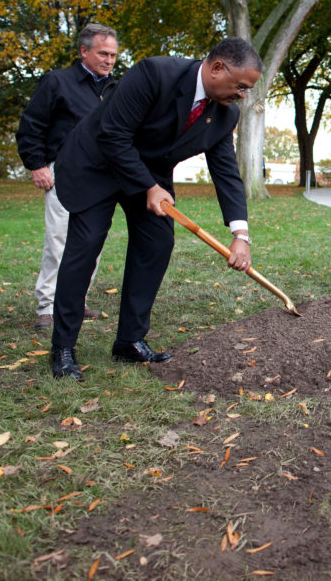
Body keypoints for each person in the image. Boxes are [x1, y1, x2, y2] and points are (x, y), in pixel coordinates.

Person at [48, 37, 262, 382]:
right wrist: (149, 187)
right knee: (85, 247)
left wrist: (241, 234)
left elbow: (226, 172)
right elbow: (113, 133)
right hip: (98, 164)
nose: (242, 95)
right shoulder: (155, 73)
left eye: (247, 90)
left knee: (158, 242)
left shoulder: (224, 115)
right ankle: (63, 346)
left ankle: (129, 340)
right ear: (218, 67)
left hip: (149, 176)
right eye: (240, 86)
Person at [16, 23, 119, 330]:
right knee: (59, 241)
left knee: (92, 243)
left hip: (103, 178)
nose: (109, 60)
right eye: (103, 53)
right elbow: (31, 125)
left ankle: (76, 300)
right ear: (83, 51)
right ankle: (47, 306)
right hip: (63, 173)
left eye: (113, 55)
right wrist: (37, 165)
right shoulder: (57, 82)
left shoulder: (115, 89)